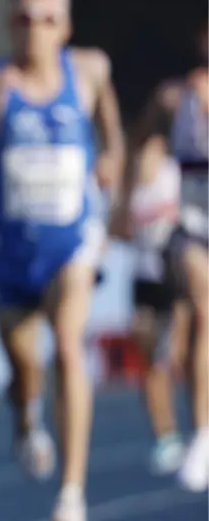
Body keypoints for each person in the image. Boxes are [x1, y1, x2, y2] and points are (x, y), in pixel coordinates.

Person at [0, 0, 124, 521]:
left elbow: (112, 129)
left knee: (66, 345)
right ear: (8, 25)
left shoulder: (89, 70)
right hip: (13, 251)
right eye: (23, 19)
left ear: (65, 27)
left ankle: (72, 493)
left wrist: (112, 162)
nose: (35, 30)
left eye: (47, 20)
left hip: (72, 243)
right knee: (23, 369)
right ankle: (26, 420)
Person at [120, 20, 209, 491]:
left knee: (186, 337)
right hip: (167, 248)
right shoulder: (174, 100)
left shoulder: (187, 105)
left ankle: (198, 427)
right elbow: (138, 141)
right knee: (162, 340)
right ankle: (180, 435)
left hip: (179, 246)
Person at [110, 130, 188, 475]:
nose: (146, 160)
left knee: (178, 358)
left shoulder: (176, 176)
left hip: (178, 280)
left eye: (152, 152)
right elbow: (118, 230)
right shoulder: (131, 188)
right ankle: (166, 436)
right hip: (144, 281)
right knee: (152, 362)